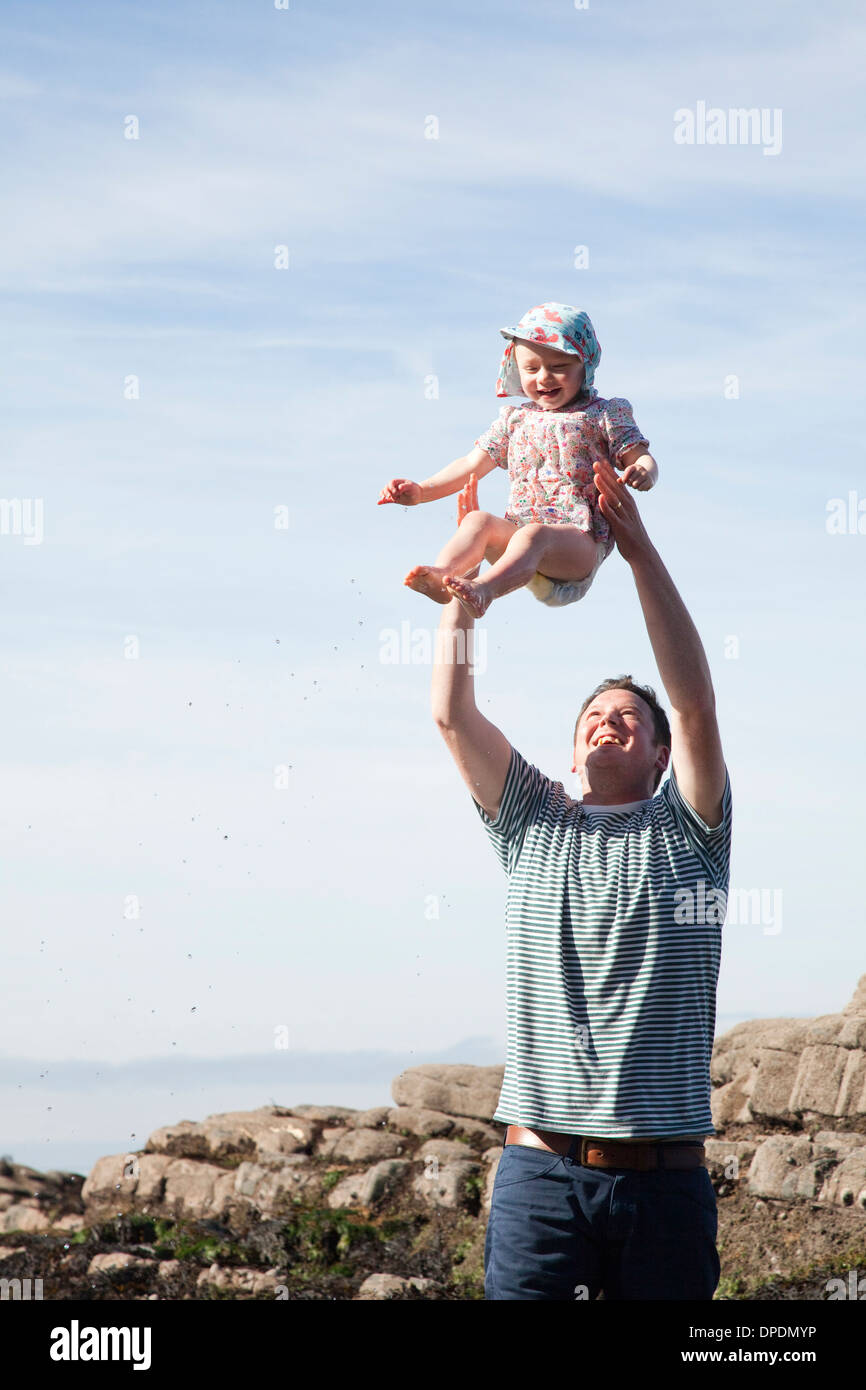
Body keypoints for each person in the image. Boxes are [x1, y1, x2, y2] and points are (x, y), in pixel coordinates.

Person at [430, 458, 732, 1301]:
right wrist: (464, 593)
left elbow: (697, 703)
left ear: (660, 755)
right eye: (593, 716)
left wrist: (636, 551)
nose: (609, 721)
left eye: (629, 718)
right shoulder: (533, 819)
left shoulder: (691, 830)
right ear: (571, 752)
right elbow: (452, 714)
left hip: (664, 1184)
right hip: (540, 1178)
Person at [377, 302, 657, 615]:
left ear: (585, 366)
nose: (544, 378)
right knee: (477, 521)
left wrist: (642, 470)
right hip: (517, 544)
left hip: (579, 544)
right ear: (516, 369)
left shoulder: (604, 414)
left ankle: (484, 591)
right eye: (532, 368)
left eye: (559, 367)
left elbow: (641, 456)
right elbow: (470, 465)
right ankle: (444, 575)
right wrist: (420, 492)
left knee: (533, 535)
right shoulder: (515, 420)